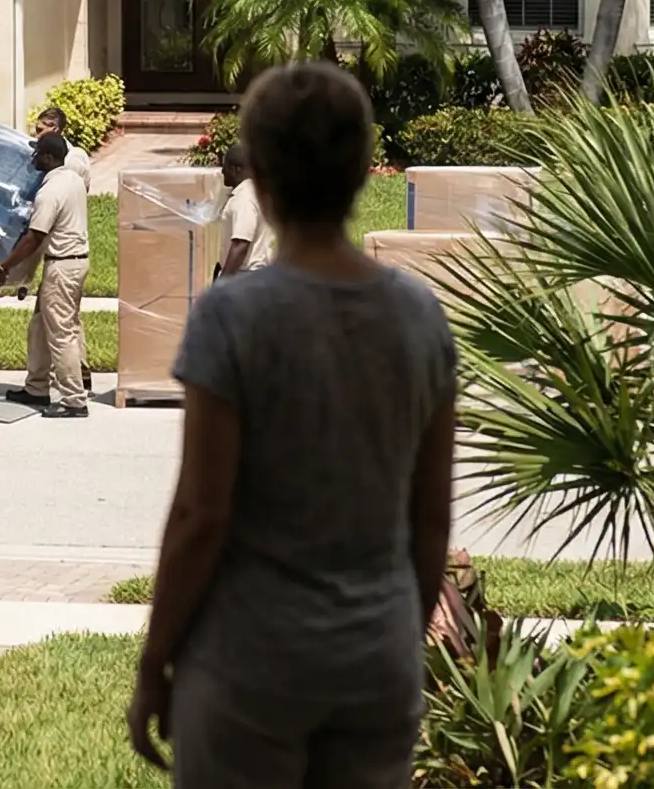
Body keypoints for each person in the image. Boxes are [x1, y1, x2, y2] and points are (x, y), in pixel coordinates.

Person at [127, 62, 456, 788]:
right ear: (363, 172)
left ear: (261, 178)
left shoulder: (232, 316)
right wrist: (399, 637)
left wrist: (156, 662)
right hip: (374, 658)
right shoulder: (418, 318)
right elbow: (431, 519)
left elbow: (202, 514)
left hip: (248, 661)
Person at [0, 132, 93, 418]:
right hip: (70, 262)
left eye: (37, 153)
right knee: (40, 327)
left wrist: (4, 268)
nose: (33, 158)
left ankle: (74, 400)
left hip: (63, 266)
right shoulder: (72, 180)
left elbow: (34, 237)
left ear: (48, 157)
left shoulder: (50, 192)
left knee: (61, 334)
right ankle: (36, 389)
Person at [215, 143, 273, 281]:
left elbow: (241, 244)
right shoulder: (252, 193)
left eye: (225, 166)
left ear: (236, 169)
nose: (222, 171)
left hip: (244, 276)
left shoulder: (245, 199)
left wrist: (222, 285)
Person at [34, 106, 95, 177]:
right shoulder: (39, 149)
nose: (37, 136)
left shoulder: (73, 159)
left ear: (54, 129)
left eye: (40, 130)